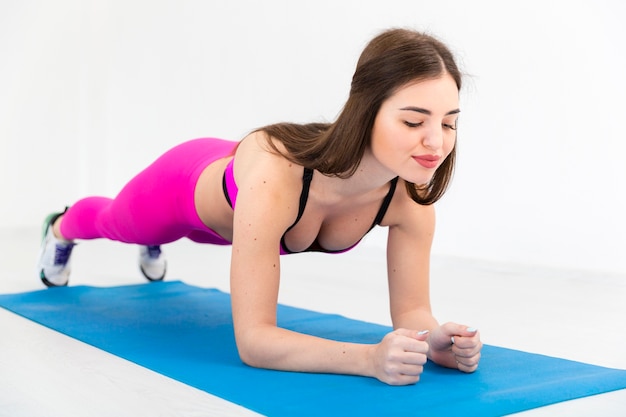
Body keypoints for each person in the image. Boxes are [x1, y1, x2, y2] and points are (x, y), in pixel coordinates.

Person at [36, 28, 482, 385]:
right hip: (185, 186)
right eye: (413, 121)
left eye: (448, 123)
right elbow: (254, 342)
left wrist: (435, 338)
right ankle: (60, 228)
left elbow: (412, 314)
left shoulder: (410, 202)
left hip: (241, 217)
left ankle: (151, 244)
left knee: (149, 232)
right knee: (119, 222)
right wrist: (368, 359)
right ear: (365, 112)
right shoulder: (276, 179)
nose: (436, 142)